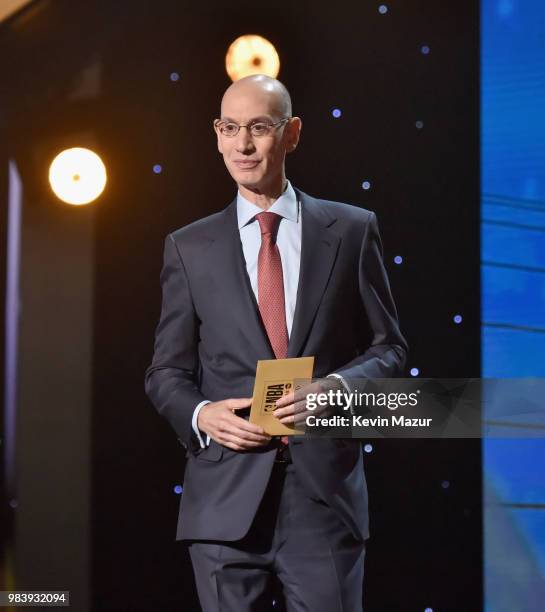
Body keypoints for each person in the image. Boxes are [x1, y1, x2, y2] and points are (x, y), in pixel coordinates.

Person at [145, 74, 407, 612]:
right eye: (230, 128)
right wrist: (201, 414)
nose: (242, 144)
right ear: (217, 135)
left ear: (291, 134)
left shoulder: (352, 230)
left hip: (322, 500)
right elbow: (165, 373)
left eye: (259, 128)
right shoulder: (188, 247)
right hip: (223, 502)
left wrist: (333, 388)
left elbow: (390, 349)